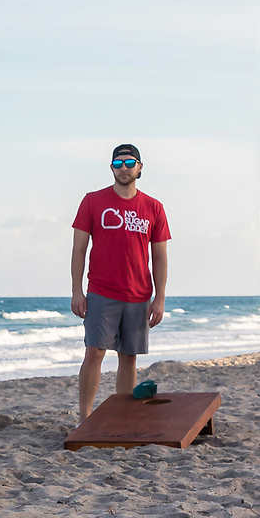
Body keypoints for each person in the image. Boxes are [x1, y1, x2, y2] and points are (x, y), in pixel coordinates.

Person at [70, 143, 170, 421]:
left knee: (129, 357)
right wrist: (77, 291)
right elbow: (79, 249)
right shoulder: (92, 201)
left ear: (140, 167)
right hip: (102, 291)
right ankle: (85, 417)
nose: (123, 168)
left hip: (139, 295)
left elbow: (159, 257)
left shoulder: (154, 207)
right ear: (111, 167)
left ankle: (123, 418)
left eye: (129, 163)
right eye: (118, 163)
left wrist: (159, 298)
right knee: (95, 352)